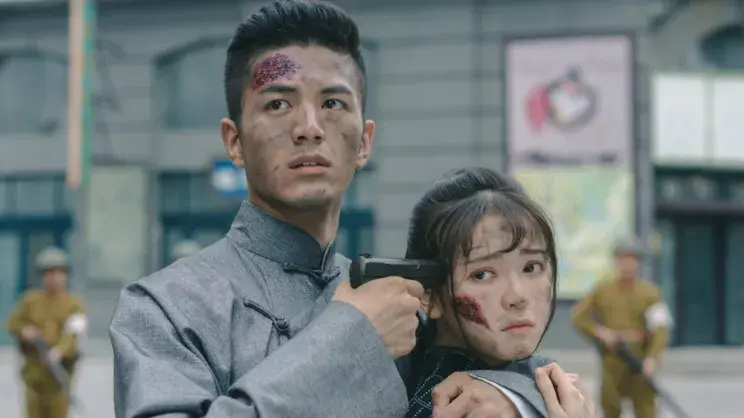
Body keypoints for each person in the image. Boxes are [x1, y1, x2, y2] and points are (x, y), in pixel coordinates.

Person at [110, 1, 582, 417]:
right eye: (278, 104)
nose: (309, 127)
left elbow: (510, 359)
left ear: (365, 141)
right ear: (234, 141)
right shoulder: (166, 308)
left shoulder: (396, 302)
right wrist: (352, 340)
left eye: (333, 102)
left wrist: (511, 398)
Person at [403, 167, 595, 418]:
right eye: (482, 274)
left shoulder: (539, 379)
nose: (517, 296)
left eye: (531, 267)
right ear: (429, 295)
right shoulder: (450, 406)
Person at [571, 237, 671, 418]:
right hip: (613, 356)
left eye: (631, 259)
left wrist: (652, 358)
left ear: (638, 263)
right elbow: (578, 317)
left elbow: (660, 329)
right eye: (622, 259)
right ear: (615, 261)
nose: (626, 265)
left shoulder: (650, 292)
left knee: (646, 409)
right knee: (610, 406)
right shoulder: (602, 289)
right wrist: (599, 332)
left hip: (639, 357)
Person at [6, 246, 87, 418]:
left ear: (65, 275)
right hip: (35, 374)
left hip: (59, 375)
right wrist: (25, 331)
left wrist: (58, 351)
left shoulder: (74, 304)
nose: (53, 278)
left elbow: (72, 334)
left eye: (58, 273)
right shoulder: (30, 300)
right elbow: (12, 323)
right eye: (49, 273)